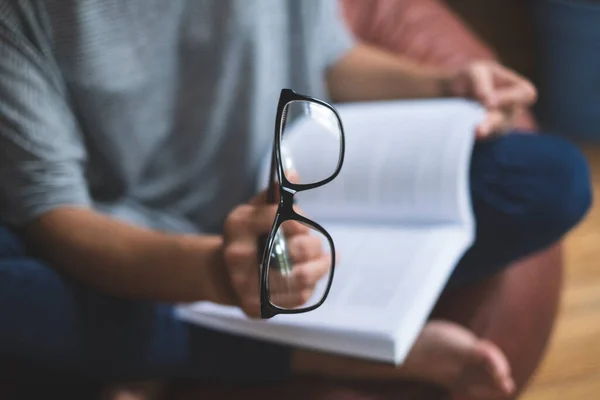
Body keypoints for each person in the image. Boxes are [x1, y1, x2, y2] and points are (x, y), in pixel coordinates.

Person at [0, 1, 591, 399]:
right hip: (141, 247)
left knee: (552, 178)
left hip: (293, 188)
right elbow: (56, 217)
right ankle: (325, 352)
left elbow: (328, 60)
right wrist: (215, 270)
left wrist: (446, 85)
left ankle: (272, 310)